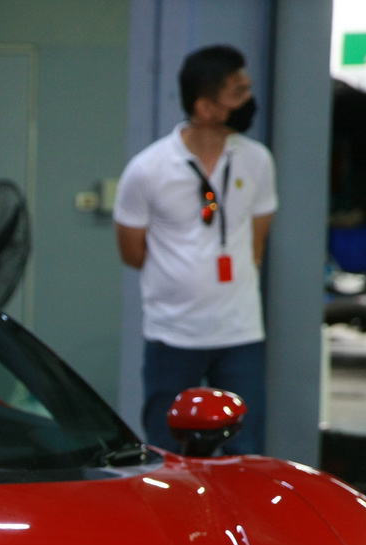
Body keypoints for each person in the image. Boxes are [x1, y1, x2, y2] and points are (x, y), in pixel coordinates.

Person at [113, 44, 277, 454]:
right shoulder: (148, 169)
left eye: (247, 88)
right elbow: (132, 252)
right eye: (237, 93)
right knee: (167, 450)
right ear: (205, 107)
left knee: (245, 447)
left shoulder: (257, 160)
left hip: (240, 332)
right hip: (172, 334)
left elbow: (257, 241)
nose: (248, 102)